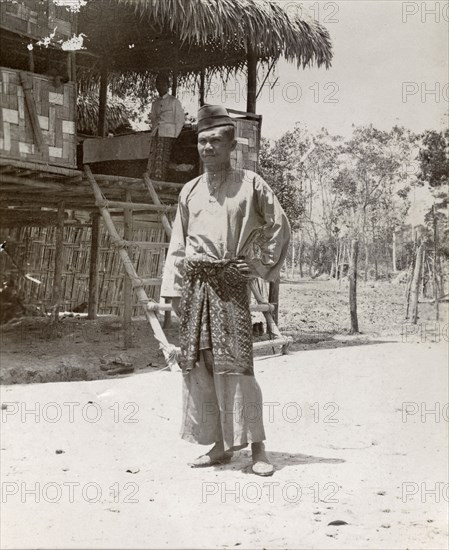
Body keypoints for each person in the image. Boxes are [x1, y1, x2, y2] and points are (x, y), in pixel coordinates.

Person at [160, 105, 290, 476]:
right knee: (200, 364)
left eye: (216, 141)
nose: (208, 148)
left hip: (230, 285)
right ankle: (219, 446)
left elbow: (279, 224)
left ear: (231, 145)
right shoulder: (189, 190)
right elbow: (178, 245)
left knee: (237, 366)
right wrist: (174, 292)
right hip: (197, 286)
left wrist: (259, 264)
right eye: (202, 141)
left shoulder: (251, 184)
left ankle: (258, 447)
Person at [148, 73, 185, 180]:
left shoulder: (174, 102)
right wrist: (154, 131)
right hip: (157, 134)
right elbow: (154, 119)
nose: (160, 87)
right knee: (154, 160)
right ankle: (154, 181)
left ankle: (161, 182)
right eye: (158, 84)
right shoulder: (155, 103)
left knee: (165, 160)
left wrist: (174, 135)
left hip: (169, 135)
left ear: (168, 86)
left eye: (163, 84)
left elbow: (180, 120)